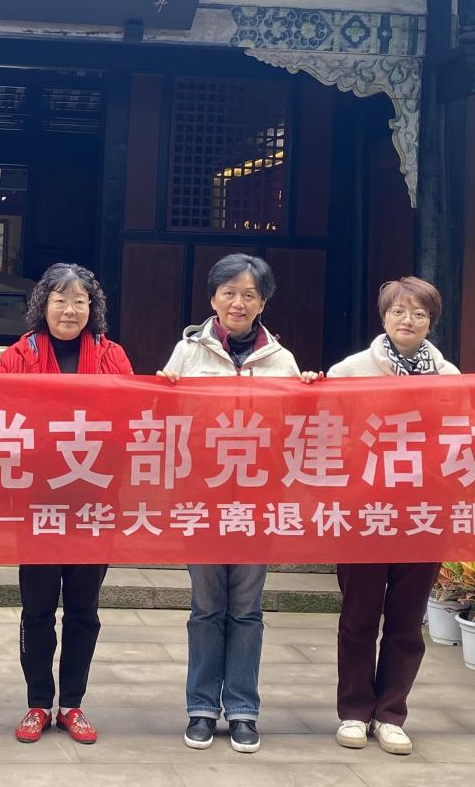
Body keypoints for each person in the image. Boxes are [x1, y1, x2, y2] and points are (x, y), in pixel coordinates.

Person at [324, 276, 475, 756]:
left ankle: (391, 714)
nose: (408, 320)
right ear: (384, 316)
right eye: (398, 311)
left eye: (419, 313)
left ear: (431, 321)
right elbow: (321, 427)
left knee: (406, 619)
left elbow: (473, 433)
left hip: (425, 514)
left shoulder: (450, 376)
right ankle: (354, 711)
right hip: (364, 513)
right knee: (358, 617)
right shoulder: (350, 371)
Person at [157, 253, 301, 755]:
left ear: (263, 303)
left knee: (246, 609)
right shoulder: (187, 353)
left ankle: (242, 710)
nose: (238, 303)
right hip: (202, 498)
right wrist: (163, 391)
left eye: (249, 295)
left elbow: (296, 429)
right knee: (205, 607)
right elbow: (164, 419)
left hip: (257, 501)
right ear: (213, 297)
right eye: (229, 293)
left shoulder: (281, 361)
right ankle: (200, 707)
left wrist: (308, 392)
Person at [0, 263, 134, 746]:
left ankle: (72, 704)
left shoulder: (113, 356)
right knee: (37, 609)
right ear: (43, 304)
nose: (69, 310)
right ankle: (38, 703)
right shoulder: (18, 355)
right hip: (38, 503)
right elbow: (0, 420)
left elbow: (130, 420)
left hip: (94, 502)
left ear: (92, 308)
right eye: (60, 299)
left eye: (79, 301)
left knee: (83, 610)